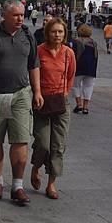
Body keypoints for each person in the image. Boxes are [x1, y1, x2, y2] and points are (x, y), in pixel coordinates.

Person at [0, 0, 43, 204]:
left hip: (21, 94)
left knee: (21, 139)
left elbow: (34, 65)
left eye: (22, 15)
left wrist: (37, 91)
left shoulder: (28, 35)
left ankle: (18, 186)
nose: (21, 18)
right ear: (5, 16)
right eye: (16, 15)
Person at [31, 18, 76, 199]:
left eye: (60, 32)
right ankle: (35, 167)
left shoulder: (68, 53)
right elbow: (32, 73)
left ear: (65, 34)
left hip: (61, 102)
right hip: (41, 100)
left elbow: (71, 75)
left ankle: (51, 184)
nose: (57, 35)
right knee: (42, 142)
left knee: (58, 145)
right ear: (47, 33)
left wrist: (65, 92)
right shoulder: (39, 51)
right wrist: (37, 93)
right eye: (54, 31)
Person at [72, 24, 98, 114]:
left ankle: (79, 104)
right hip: (91, 68)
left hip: (78, 67)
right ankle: (85, 107)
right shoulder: (94, 43)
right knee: (88, 86)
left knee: (75, 85)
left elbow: (73, 55)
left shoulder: (76, 41)